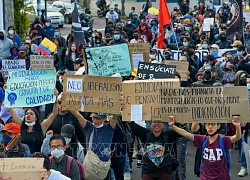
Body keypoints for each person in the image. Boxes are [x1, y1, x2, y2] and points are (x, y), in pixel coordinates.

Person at [168, 115, 242, 180]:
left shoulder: (224, 140)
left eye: (213, 124)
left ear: (218, 126)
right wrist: (172, 126)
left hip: (222, 177)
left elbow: (237, 137)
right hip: (205, 177)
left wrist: (238, 127)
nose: (210, 127)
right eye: (208, 124)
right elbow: (185, 133)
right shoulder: (202, 139)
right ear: (205, 126)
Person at [70, 111, 117, 180]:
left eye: (97, 118)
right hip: (90, 165)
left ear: (104, 119)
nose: (94, 121)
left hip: (104, 165)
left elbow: (114, 118)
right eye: (93, 118)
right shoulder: (89, 126)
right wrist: (69, 107)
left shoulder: (109, 128)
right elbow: (78, 116)